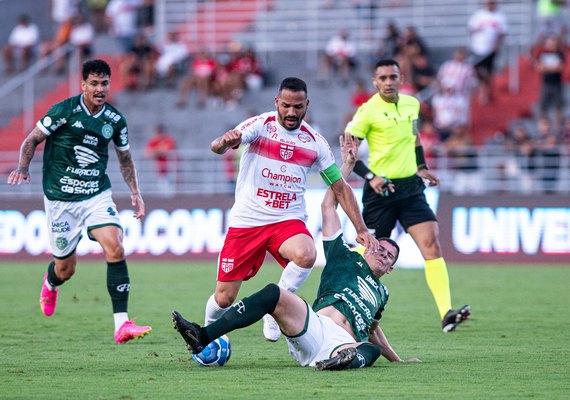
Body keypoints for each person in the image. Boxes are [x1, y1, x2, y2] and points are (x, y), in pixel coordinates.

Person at [172, 133, 420, 370]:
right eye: (381, 248)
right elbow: (328, 206)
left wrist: (397, 360)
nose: (384, 254)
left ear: (391, 268)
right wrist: (347, 165)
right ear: (367, 249)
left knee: (370, 349)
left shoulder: (381, 293)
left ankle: (342, 360)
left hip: (346, 342)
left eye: (390, 256)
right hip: (315, 327)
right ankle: (202, 335)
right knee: (273, 293)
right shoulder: (342, 257)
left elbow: (374, 330)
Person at [203, 77, 378, 343]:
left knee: (307, 254)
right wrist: (224, 142)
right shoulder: (260, 125)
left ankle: (274, 308)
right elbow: (217, 147)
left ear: (307, 104)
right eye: (286, 105)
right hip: (247, 220)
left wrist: (361, 228)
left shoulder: (315, 142)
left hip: (286, 219)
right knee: (224, 297)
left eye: (298, 107)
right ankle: (206, 332)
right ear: (277, 102)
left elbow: (340, 188)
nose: (291, 112)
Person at [6, 59, 152, 344]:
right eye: (94, 84)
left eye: (104, 84)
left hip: (96, 195)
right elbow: (31, 139)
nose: (100, 89)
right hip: (60, 200)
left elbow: (124, 158)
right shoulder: (64, 110)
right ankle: (51, 283)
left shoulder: (114, 120)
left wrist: (135, 191)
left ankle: (121, 324)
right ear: (83, 85)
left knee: (116, 245)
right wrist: (22, 167)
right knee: (66, 268)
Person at [344, 59, 471, 332]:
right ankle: (344, 304)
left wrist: (422, 166)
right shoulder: (367, 111)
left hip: (411, 188)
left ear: (401, 78)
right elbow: (349, 152)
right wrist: (371, 177)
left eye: (393, 77)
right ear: (375, 82)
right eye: (383, 78)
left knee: (432, 245)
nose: (388, 82)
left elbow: (414, 138)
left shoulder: (412, 105)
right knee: (369, 254)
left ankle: (446, 313)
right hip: (381, 191)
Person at [467, 0, 508, 105]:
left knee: (489, 73)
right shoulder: (479, 15)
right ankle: (481, 88)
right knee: (475, 70)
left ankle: (487, 94)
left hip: (490, 50)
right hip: (477, 48)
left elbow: (502, 33)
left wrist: (497, 45)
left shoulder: (500, 17)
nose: (490, 5)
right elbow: (471, 28)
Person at [144, 123, 177, 194]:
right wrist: (157, 151)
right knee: (162, 189)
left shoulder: (168, 139)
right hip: (159, 169)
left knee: (171, 191)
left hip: (170, 168)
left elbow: (165, 151)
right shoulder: (153, 141)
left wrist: (155, 152)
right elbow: (147, 154)